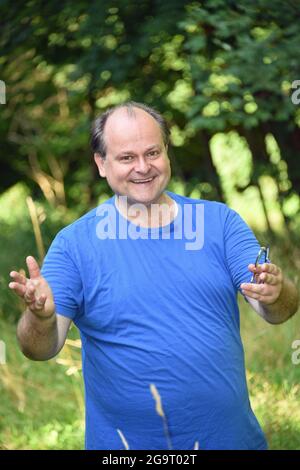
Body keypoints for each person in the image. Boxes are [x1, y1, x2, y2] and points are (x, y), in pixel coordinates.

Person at [9, 102, 299, 450]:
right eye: (127, 158)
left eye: (153, 152)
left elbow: (279, 311)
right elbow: (40, 349)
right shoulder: (75, 245)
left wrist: (278, 291)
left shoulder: (220, 223)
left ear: (166, 153)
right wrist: (40, 317)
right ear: (102, 164)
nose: (143, 167)